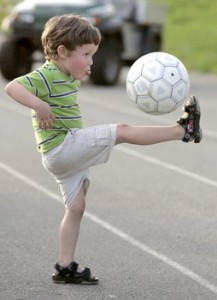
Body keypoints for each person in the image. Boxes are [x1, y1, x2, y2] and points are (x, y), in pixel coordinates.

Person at [5, 14, 202, 285]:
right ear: (62, 52)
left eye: (92, 55)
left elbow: (70, 81)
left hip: (59, 156)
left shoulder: (65, 72)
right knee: (120, 131)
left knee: (76, 208)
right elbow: (12, 87)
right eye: (86, 55)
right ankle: (182, 130)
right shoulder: (47, 74)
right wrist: (38, 105)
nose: (90, 62)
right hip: (64, 146)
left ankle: (64, 266)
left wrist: (81, 68)